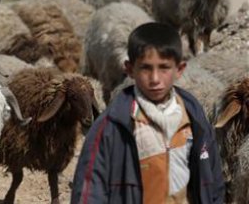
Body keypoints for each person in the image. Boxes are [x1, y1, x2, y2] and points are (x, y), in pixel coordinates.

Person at [71, 22, 225, 204]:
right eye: (145, 68)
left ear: (180, 69)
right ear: (130, 69)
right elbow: (89, 191)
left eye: (164, 67)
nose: (155, 79)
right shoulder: (111, 127)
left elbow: (212, 180)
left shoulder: (194, 117)